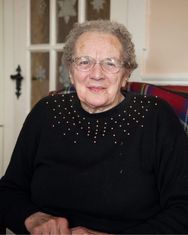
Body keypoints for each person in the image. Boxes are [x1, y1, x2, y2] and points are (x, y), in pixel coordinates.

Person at [0, 20, 188, 235]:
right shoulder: (45, 112)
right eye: (84, 62)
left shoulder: (157, 116)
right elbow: (8, 191)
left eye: (110, 63)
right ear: (71, 71)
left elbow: (183, 209)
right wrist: (32, 219)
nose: (96, 74)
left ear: (126, 74)